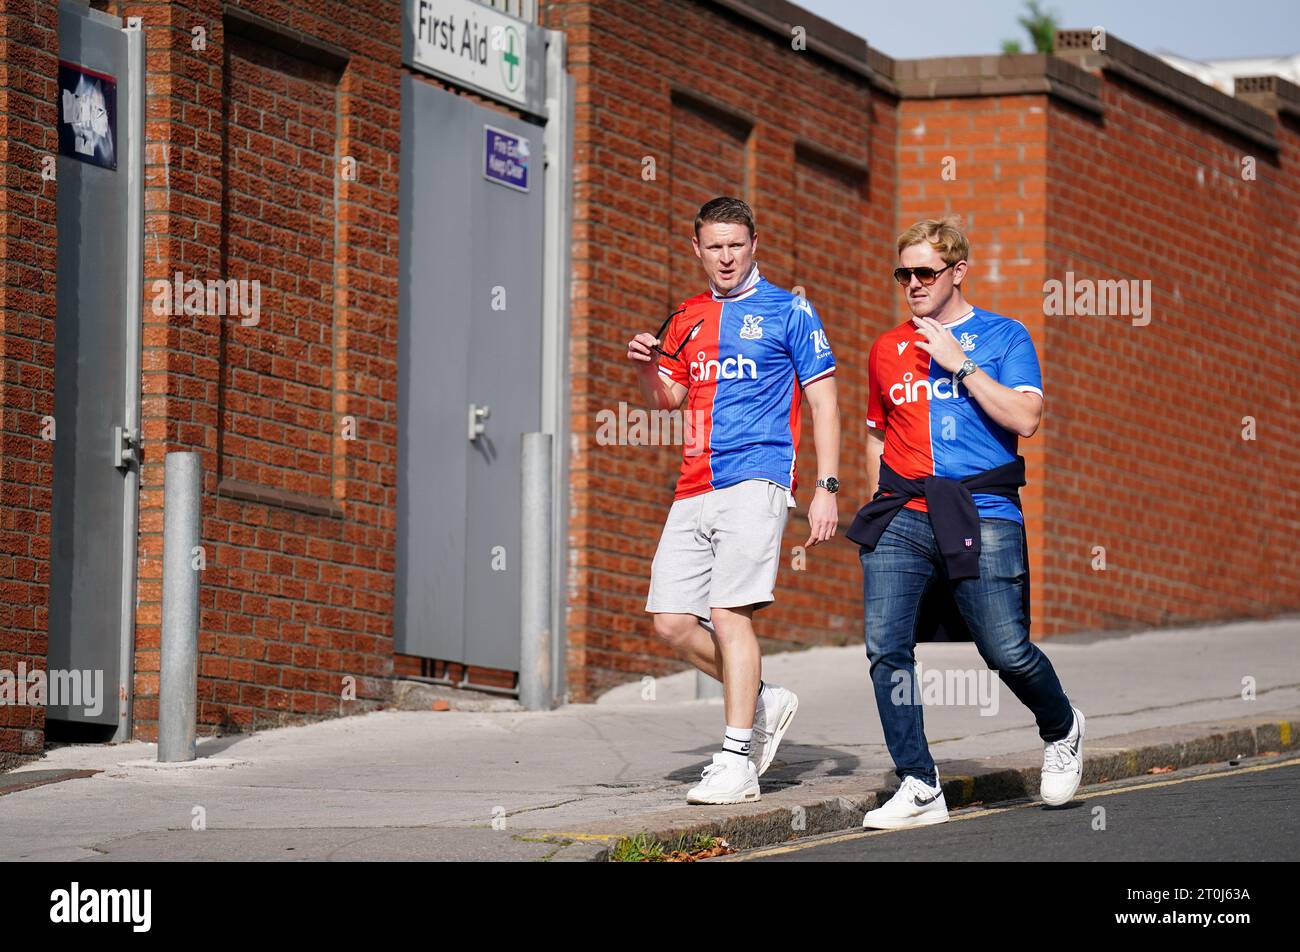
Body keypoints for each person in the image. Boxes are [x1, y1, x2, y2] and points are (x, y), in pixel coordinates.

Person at [848, 216, 1084, 829]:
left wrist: (961, 365)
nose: (913, 284)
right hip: (904, 511)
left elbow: (1026, 419)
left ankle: (1061, 727)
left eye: (925, 271)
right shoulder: (886, 348)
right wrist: (881, 495)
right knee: (886, 648)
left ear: (958, 271)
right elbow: (876, 433)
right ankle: (920, 783)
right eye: (905, 273)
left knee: (1004, 650)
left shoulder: (1006, 336)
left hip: (984, 510)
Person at [625, 196, 841, 804]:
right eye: (713, 246)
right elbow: (668, 398)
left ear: (754, 245)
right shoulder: (687, 316)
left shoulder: (790, 310)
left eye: (735, 245)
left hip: (760, 476)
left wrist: (826, 486)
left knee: (728, 614)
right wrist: (645, 368)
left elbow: (824, 401)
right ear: (697, 249)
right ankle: (764, 699)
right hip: (693, 482)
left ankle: (738, 759)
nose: (725, 257)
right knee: (670, 621)